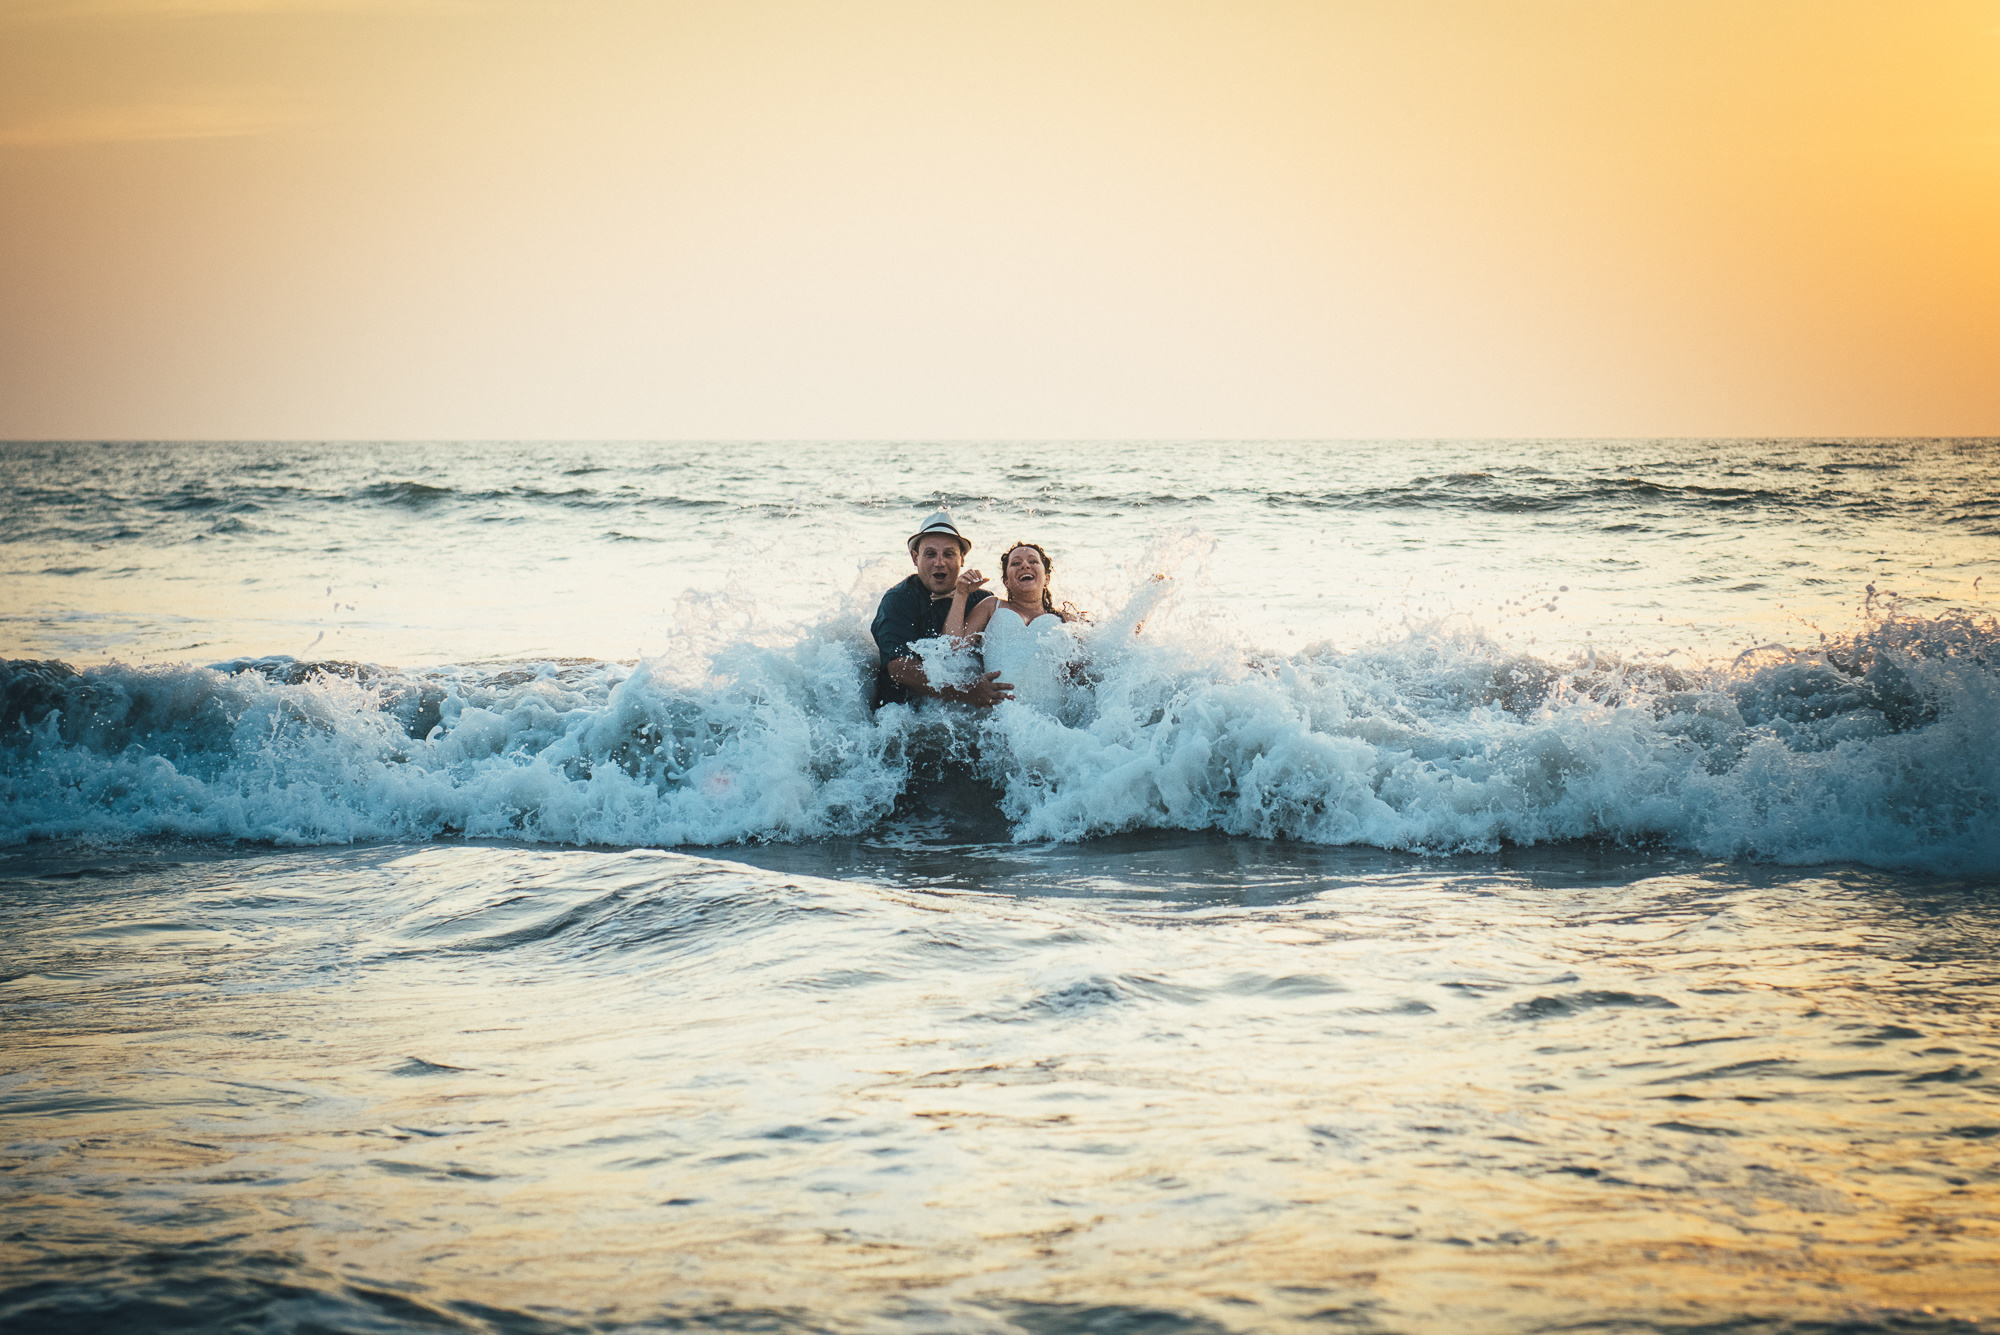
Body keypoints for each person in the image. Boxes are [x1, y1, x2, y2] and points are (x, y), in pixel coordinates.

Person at [870, 511, 1013, 708]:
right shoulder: (898, 600)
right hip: (903, 715)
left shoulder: (981, 599)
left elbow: (1019, 622)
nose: (939, 562)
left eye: (949, 554)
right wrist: (967, 691)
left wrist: (1059, 619)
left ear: (962, 559)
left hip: (962, 715)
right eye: (930, 554)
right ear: (915, 557)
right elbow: (900, 669)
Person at [946, 540, 1081, 713]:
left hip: (1053, 724)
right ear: (1006, 582)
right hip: (999, 721)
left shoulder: (1065, 621)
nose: (1025, 565)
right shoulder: (991, 607)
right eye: (1016, 563)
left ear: (1047, 578)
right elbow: (953, 650)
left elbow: (1084, 672)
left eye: (1033, 561)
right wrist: (961, 594)